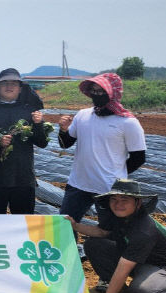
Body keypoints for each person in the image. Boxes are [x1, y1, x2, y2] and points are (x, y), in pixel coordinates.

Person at [67, 179, 166, 293]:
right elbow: (101, 232)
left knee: (143, 291)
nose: (118, 204)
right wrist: (75, 226)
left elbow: (123, 268)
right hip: (135, 258)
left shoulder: (144, 230)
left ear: (138, 202)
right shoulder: (118, 216)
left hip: (160, 266)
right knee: (94, 244)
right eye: (114, 199)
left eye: (125, 199)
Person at [58, 73, 146, 224]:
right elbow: (65, 144)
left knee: (110, 231)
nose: (96, 95)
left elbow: (138, 158)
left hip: (109, 189)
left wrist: (116, 173)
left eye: (101, 91)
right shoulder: (82, 115)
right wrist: (63, 130)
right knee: (65, 226)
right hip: (78, 184)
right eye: (94, 90)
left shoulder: (128, 122)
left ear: (112, 93)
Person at [0, 68, 48, 214]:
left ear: (20, 88)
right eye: (5, 83)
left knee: (23, 221)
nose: (9, 87)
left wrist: (38, 124)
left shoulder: (30, 111)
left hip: (22, 177)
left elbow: (42, 143)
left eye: (14, 83)